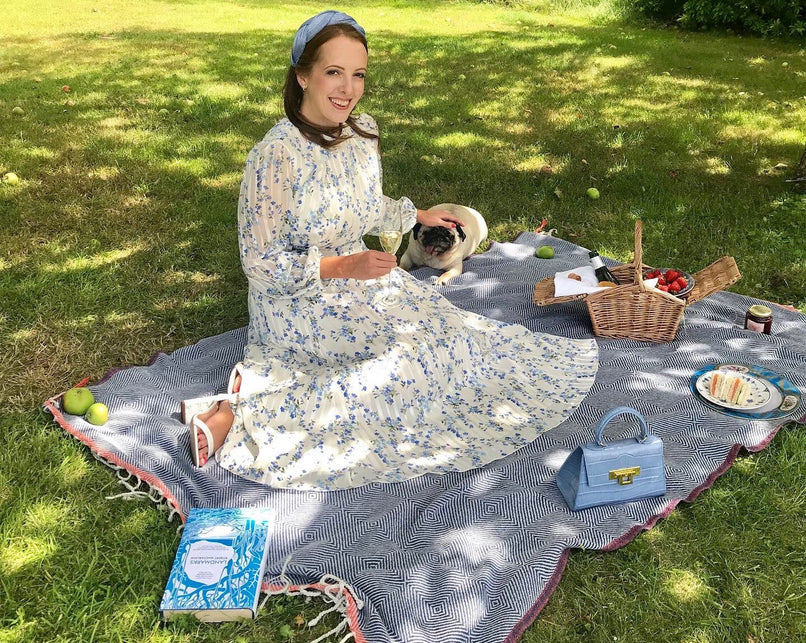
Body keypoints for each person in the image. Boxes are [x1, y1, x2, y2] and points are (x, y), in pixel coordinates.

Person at [187, 10, 599, 490]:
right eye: (333, 73)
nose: (348, 88)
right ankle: (242, 407)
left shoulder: (361, 132)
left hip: (362, 281)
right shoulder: (274, 157)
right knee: (394, 368)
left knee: (447, 334)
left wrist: (416, 216)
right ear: (303, 76)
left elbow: (361, 206)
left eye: (358, 74)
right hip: (297, 298)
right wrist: (345, 265)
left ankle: (253, 391)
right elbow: (259, 265)